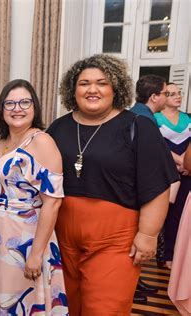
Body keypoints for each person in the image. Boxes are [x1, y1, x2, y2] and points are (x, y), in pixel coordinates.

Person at [47, 54, 179, 315]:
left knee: (105, 309)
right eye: (84, 83)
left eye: (102, 83)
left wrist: (148, 235)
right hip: (61, 237)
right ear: (73, 90)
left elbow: (157, 184)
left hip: (116, 240)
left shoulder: (137, 126)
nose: (92, 89)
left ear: (115, 88)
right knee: (66, 307)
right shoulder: (58, 128)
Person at [0, 79, 68, 315]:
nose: (16, 108)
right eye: (9, 103)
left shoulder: (42, 141)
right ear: (1, 109)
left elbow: (52, 202)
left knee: (22, 301)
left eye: (24, 102)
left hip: (26, 239)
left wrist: (36, 253)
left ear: (34, 107)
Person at [130, 74, 168, 296]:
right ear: (154, 97)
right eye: (165, 93)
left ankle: (136, 282)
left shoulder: (143, 115)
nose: (166, 97)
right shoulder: (141, 119)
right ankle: (133, 285)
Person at [155, 83, 191, 269]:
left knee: (182, 213)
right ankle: (166, 254)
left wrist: (187, 164)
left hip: (187, 173)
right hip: (165, 172)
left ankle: (180, 255)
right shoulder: (155, 118)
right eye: (172, 94)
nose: (178, 97)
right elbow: (156, 145)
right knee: (167, 214)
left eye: (179, 93)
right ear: (163, 97)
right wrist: (178, 161)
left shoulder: (188, 118)